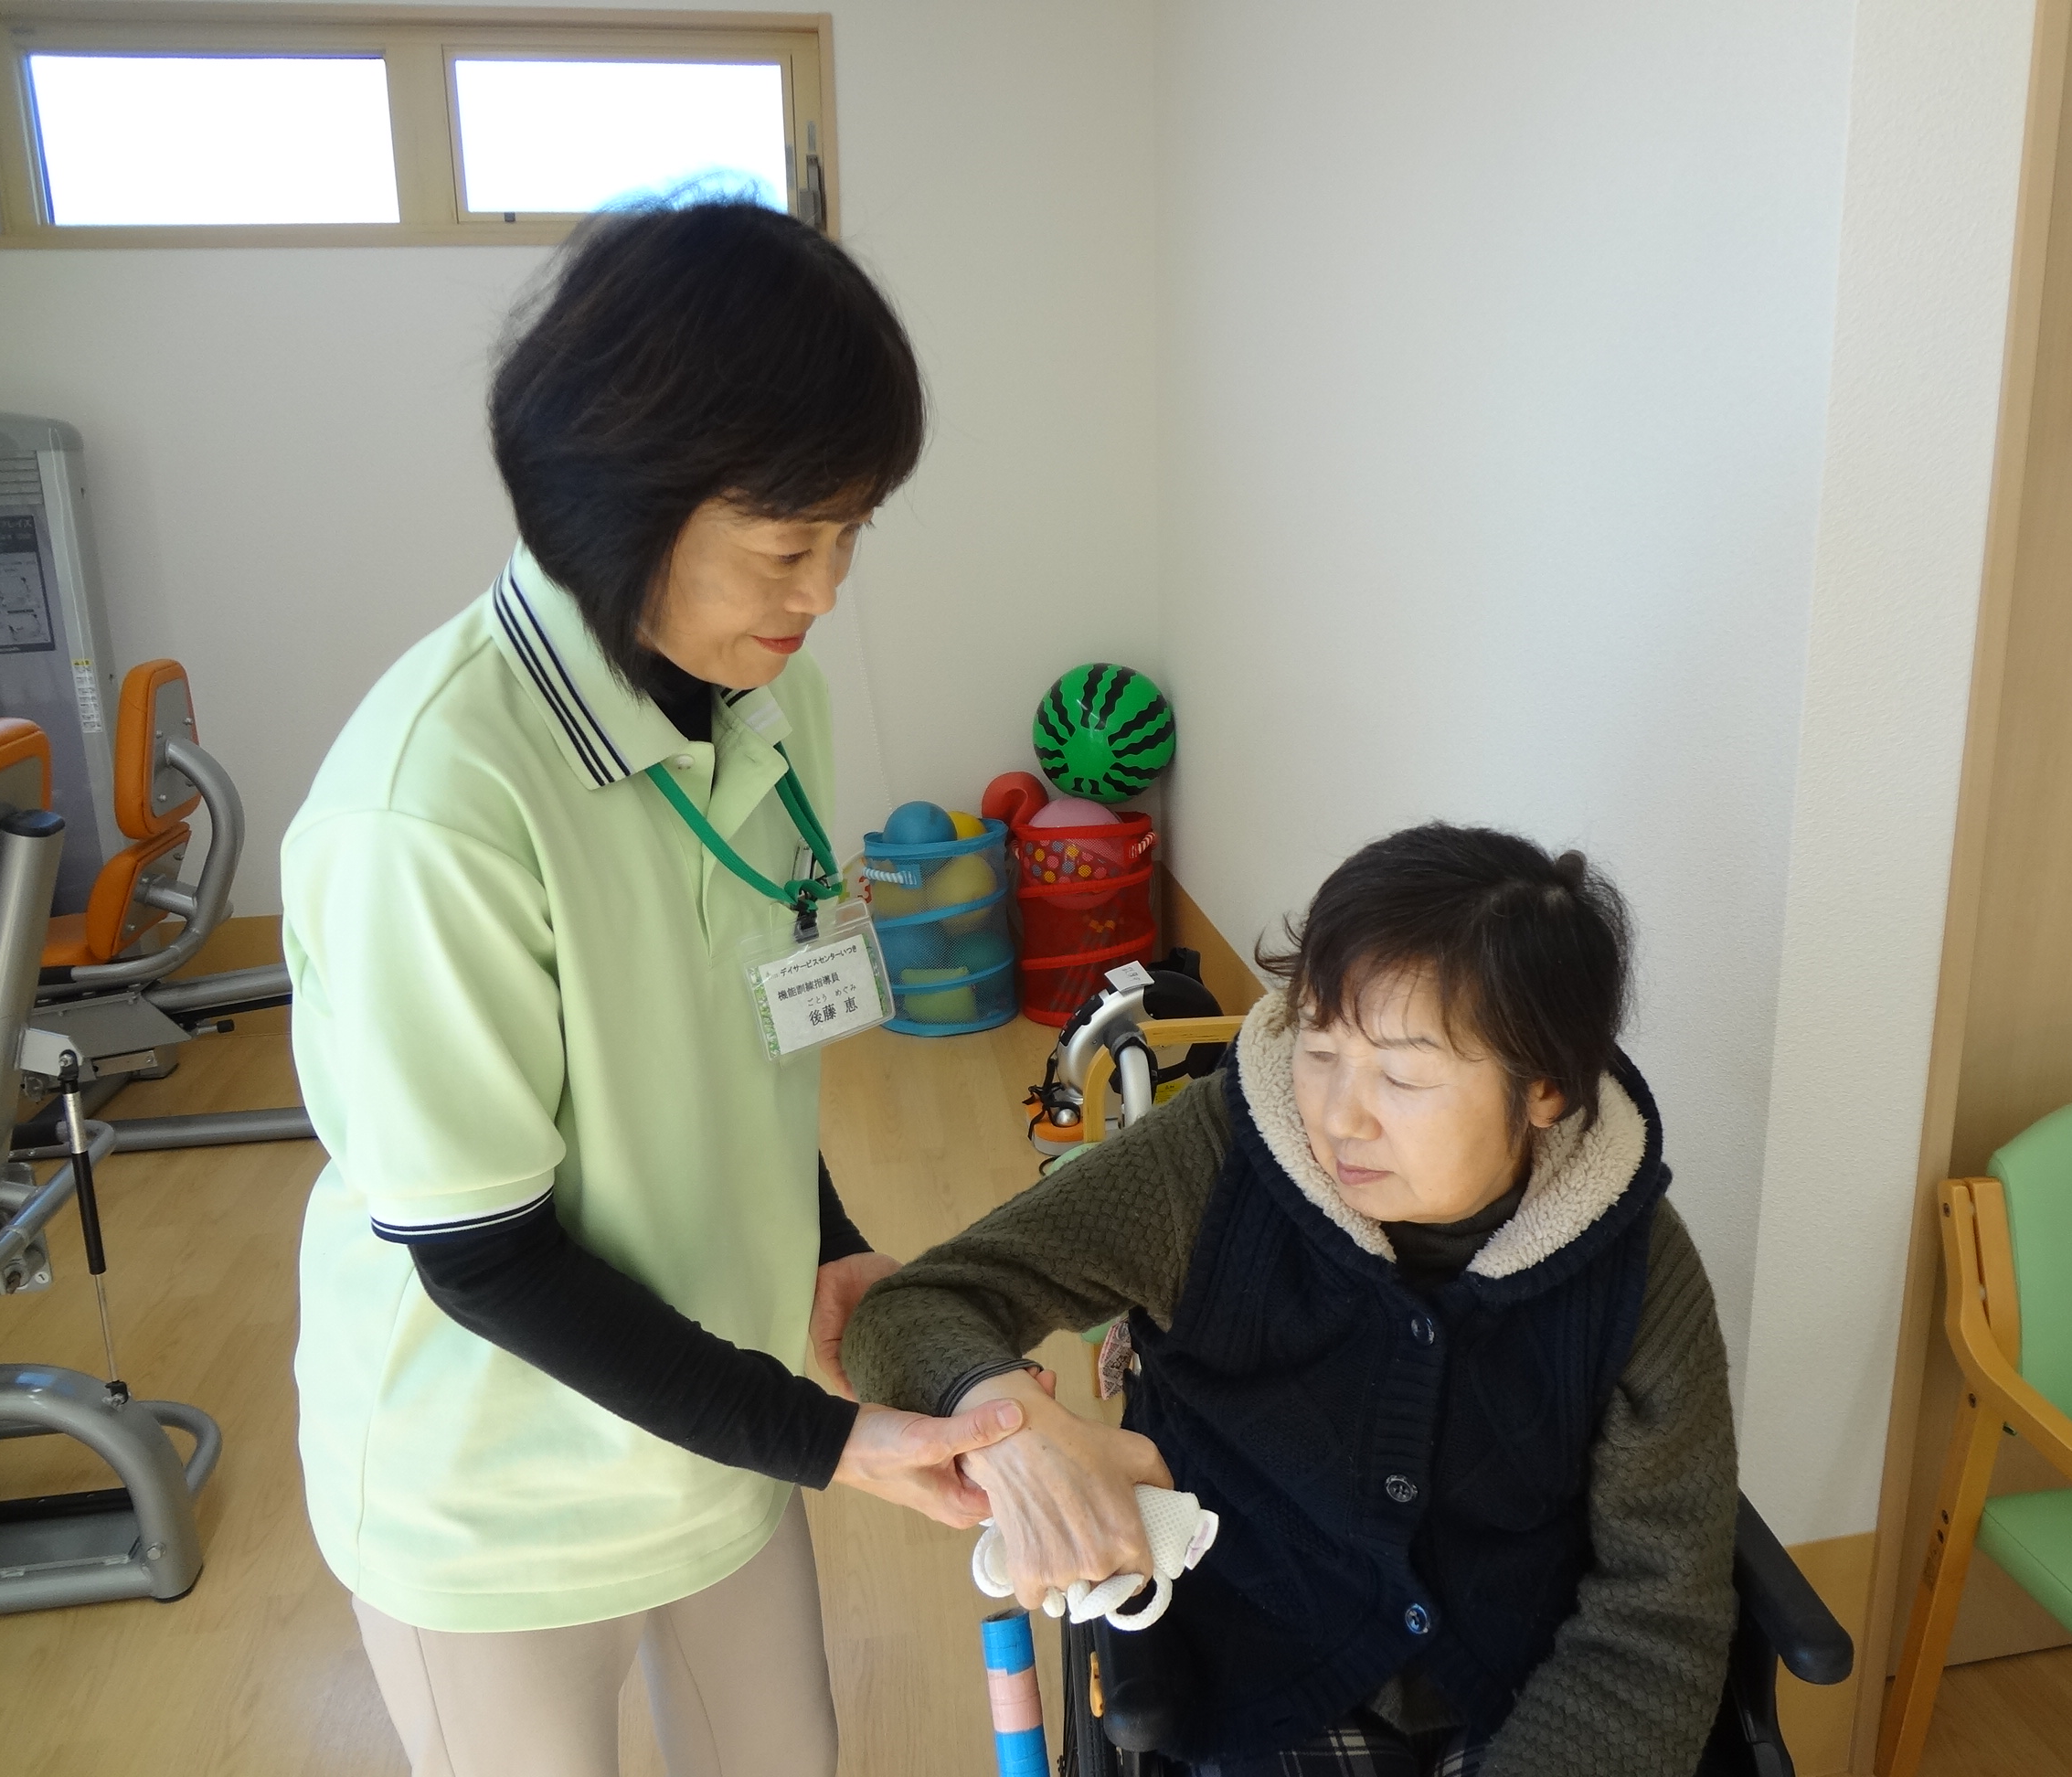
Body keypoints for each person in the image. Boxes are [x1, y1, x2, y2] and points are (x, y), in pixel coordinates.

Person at [283, 197, 1024, 1777]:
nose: (825, 591)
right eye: (789, 545)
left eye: (851, 536)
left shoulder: (770, 700)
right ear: (623, 499)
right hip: (494, 1493)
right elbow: (482, 1255)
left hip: (713, 1422)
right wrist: (832, 1438)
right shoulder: (432, 807)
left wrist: (823, 1244)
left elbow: (742, 1034)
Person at [844, 825, 1738, 1777]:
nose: (1339, 1117)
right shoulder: (1217, 1163)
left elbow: (1656, 1615)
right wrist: (1015, 1430)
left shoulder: (1636, 1264)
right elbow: (917, 1308)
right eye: (1319, 1046)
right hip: (1250, 1676)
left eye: (1403, 1075)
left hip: (1533, 1690)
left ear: (1545, 1088)